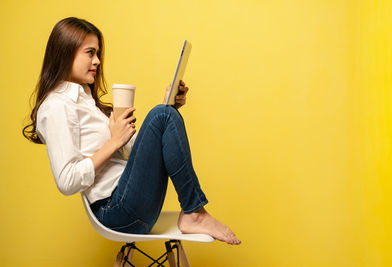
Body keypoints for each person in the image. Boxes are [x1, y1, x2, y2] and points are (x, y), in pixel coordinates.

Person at [23, 17, 241, 245]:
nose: (97, 61)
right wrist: (114, 142)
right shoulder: (56, 106)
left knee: (165, 114)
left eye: (98, 53)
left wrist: (169, 110)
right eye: (90, 53)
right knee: (162, 115)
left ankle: (193, 212)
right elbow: (66, 181)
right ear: (66, 53)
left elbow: (136, 152)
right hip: (115, 211)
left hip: (135, 201)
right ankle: (194, 213)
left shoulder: (88, 101)